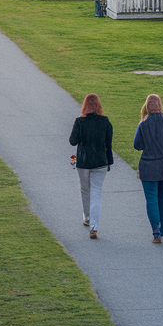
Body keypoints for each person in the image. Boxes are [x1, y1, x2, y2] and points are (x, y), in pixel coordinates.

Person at [134, 93, 163, 243]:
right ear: (160, 105)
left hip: (148, 166)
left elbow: (136, 144)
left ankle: (156, 231)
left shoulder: (143, 124)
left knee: (151, 199)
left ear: (146, 107)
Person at [70, 93, 114, 240]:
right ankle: (94, 226)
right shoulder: (105, 121)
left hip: (83, 161)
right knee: (96, 193)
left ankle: (87, 217)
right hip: (100, 162)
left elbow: (72, 141)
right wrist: (109, 162)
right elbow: (108, 144)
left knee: (85, 189)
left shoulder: (79, 121)